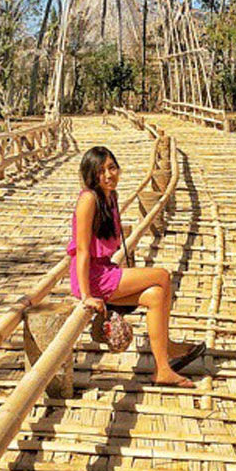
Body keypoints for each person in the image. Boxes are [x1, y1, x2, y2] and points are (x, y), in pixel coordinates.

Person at [67, 145, 205, 388]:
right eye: (101, 171)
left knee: (155, 295)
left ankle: (162, 369)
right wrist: (87, 295)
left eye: (112, 167)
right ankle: (169, 345)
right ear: (91, 175)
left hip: (105, 271)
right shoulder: (88, 199)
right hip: (92, 277)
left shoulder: (111, 197)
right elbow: (82, 251)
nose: (109, 175)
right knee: (162, 275)